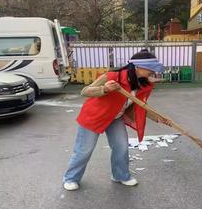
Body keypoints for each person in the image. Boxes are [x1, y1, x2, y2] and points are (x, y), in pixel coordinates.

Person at [63, 50, 166, 191]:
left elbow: (141, 105)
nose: (153, 71)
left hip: (115, 118)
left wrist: (159, 118)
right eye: (150, 68)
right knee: (84, 150)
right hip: (94, 116)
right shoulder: (113, 76)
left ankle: (120, 175)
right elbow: (85, 91)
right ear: (137, 67)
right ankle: (71, 178)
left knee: (121, 146)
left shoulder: (144, 84)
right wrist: (104, 89)